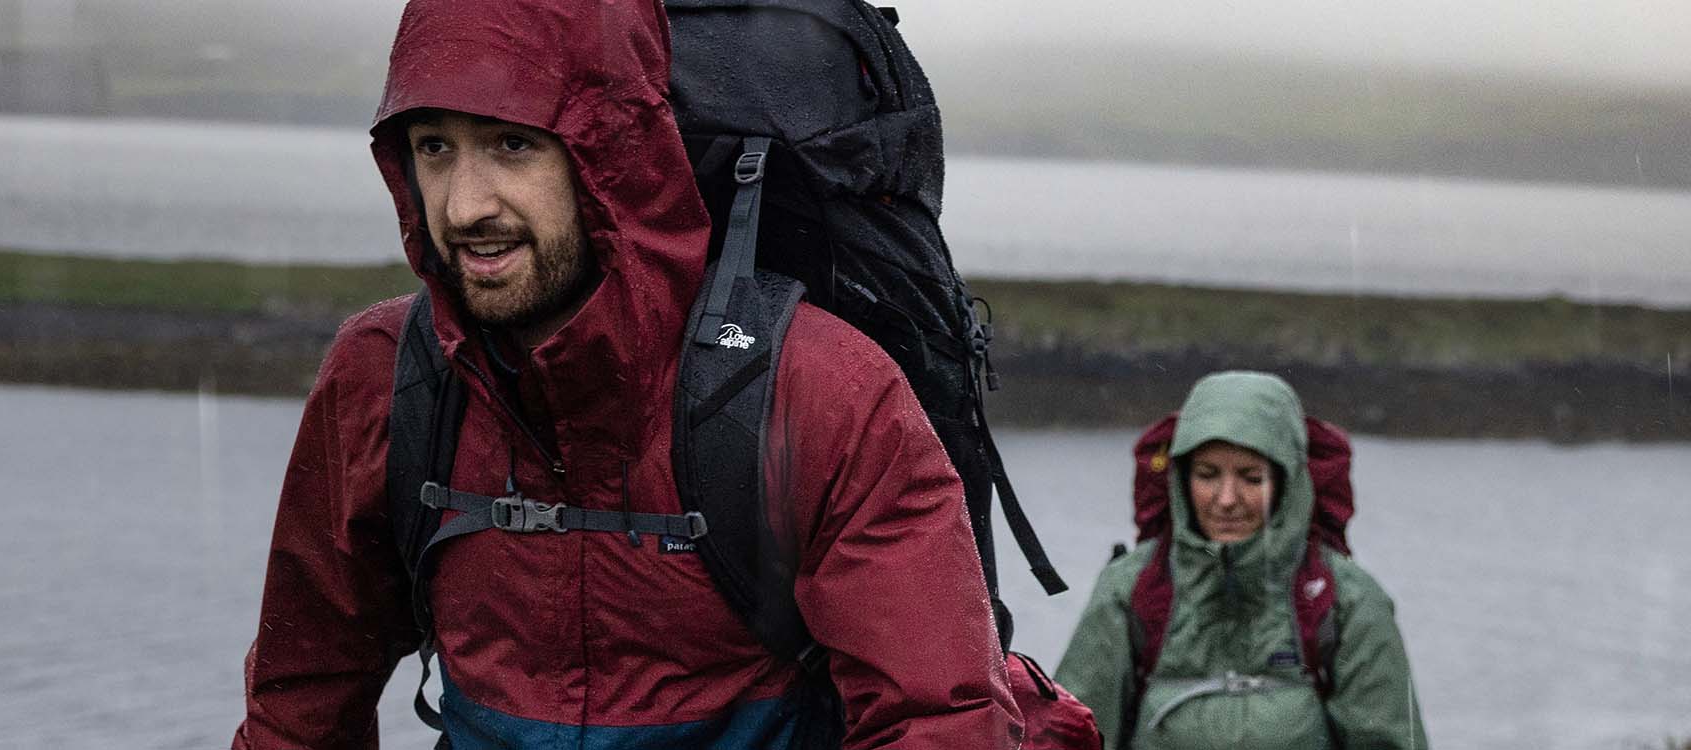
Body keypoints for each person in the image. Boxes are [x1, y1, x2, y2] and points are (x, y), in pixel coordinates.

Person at [232, 0, 1068, 747]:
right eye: (435, 148)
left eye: (512, 144)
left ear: (609, 155)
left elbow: (940, 723)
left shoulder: (823, 391)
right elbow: (297, 707)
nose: (462, 205)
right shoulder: (385, 377)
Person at [1052, 372, 1425, 750]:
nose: (1227, 498)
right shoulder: (1131, 590)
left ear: (1287, 482)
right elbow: (1072, 738)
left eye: (1251, 477)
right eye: (1207, 474)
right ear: (1180, 480)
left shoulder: (1347, 601)